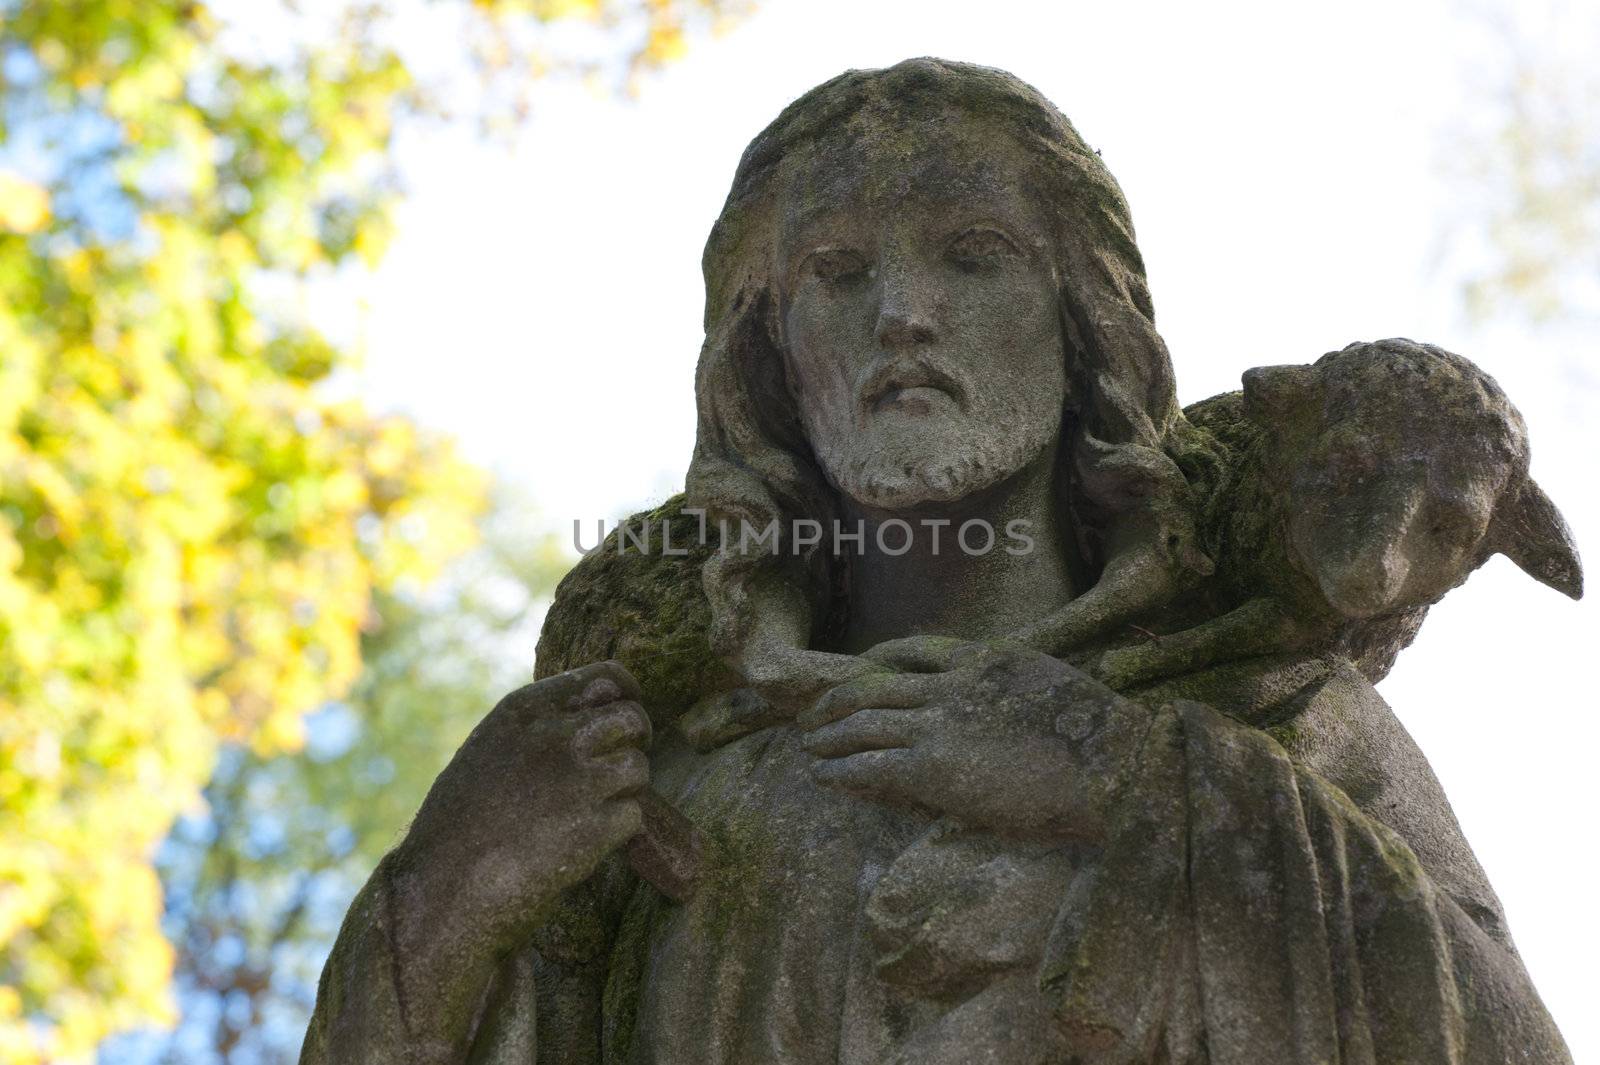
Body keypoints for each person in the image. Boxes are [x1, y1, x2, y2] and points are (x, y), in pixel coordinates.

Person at [302, 59, 1573, 1064]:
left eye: (974, 255)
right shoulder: (659, 768)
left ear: (1085, 326)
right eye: (837, 272)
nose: (903, 311)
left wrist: (1140, 790)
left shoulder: (1271, 713)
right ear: (768, 358)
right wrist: (449, 895)